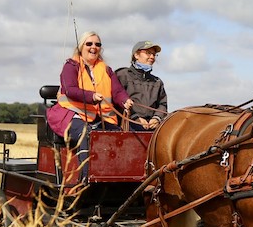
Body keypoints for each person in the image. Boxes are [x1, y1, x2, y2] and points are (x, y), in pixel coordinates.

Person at [46, 31, 133, 180]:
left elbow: (117, 91)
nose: (94, 47)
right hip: (71, 116)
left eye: (97, 44)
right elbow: (70, 89)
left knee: (120, 135)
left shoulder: (106, 69)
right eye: (89, 44)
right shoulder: (71, 66)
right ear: (81, 47)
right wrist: (91, 96)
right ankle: (87, 179)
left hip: (98, 117)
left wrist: (125, 100)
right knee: (88, 134)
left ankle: (118, 177)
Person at [116, 40, 167, 131]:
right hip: (128, 125)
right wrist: (135, 118)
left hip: (152, 127)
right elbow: (116, 100)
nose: (152, 57)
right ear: (136, 55)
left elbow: (162, 104)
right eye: (148, 53)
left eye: (154, 54)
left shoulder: (157, 82)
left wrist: (157, 118)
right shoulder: (122, 75)